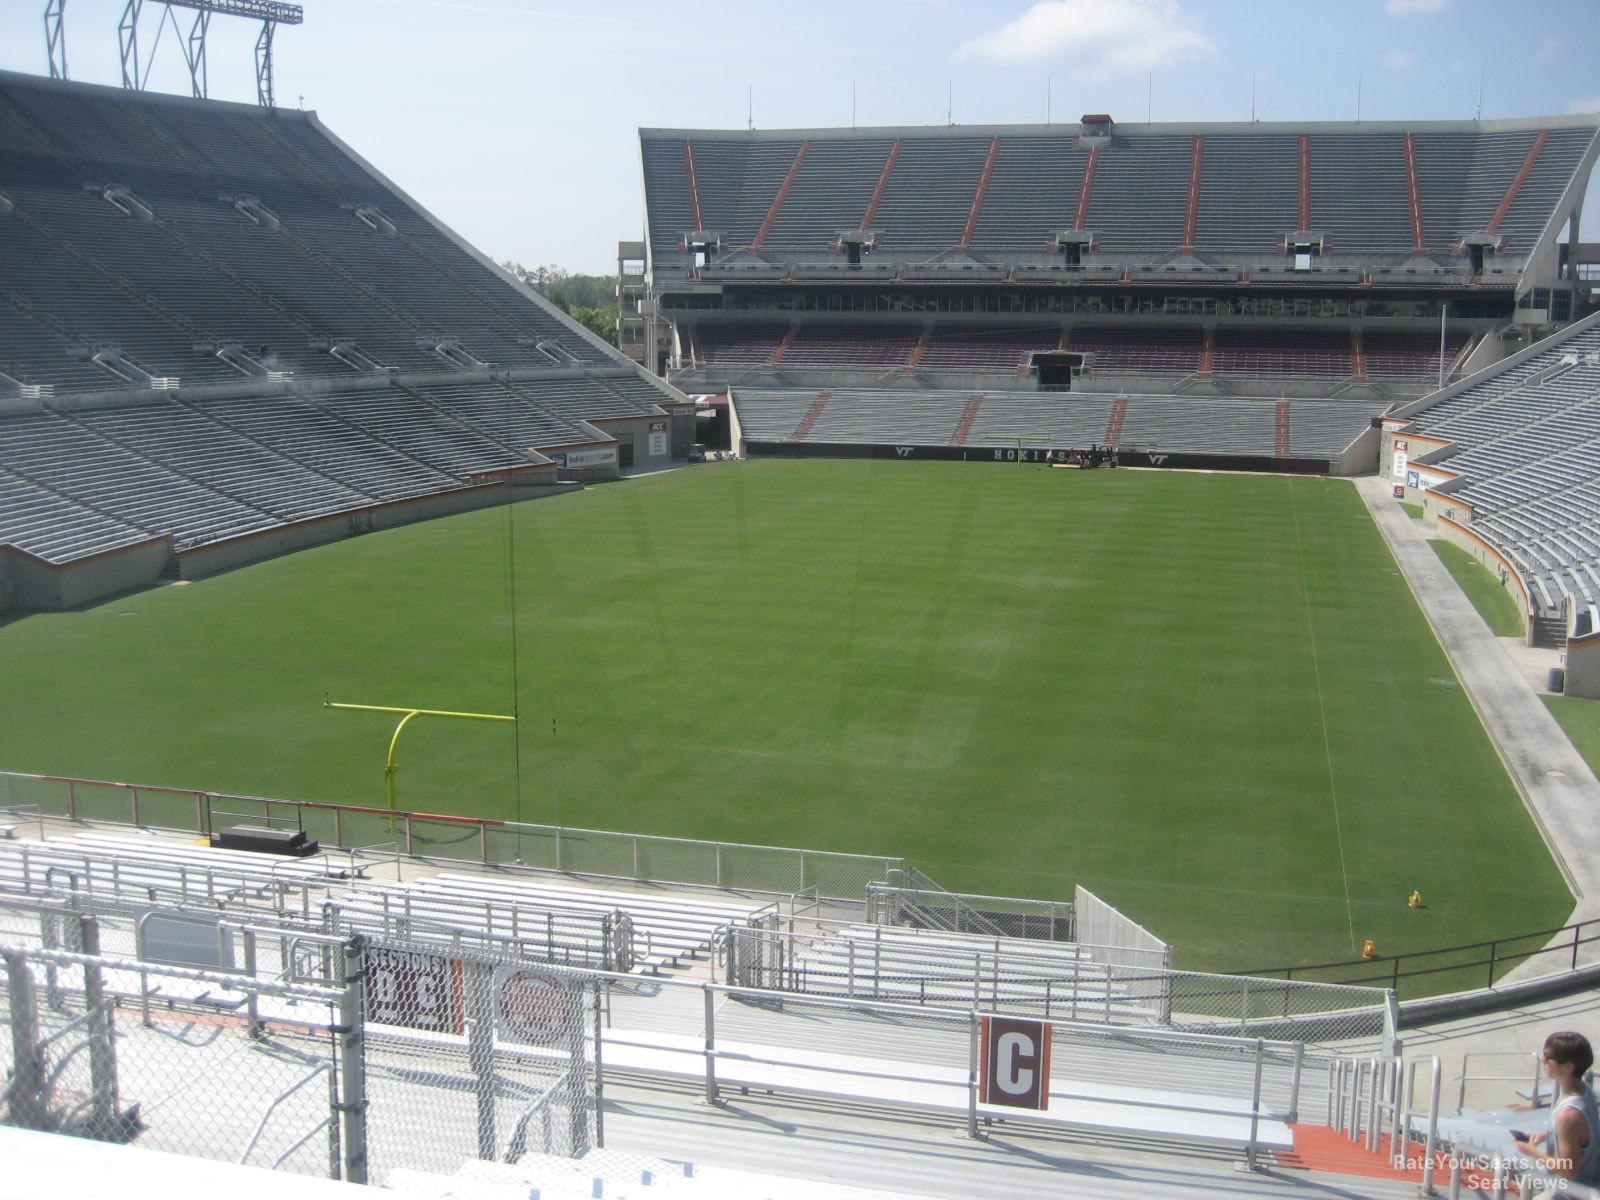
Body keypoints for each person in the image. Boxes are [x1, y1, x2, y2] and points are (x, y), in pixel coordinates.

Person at [1513, 1031, 1600, 1194]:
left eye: (1547, 1057)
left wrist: (1531, 1151)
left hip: (1574, 1193)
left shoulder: (1568, 1114)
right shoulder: (1584, 1091)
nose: (1542, 1059)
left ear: (1568, 1067)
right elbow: (1581, 1135)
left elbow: (1569, 1171)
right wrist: (1547, 1135)